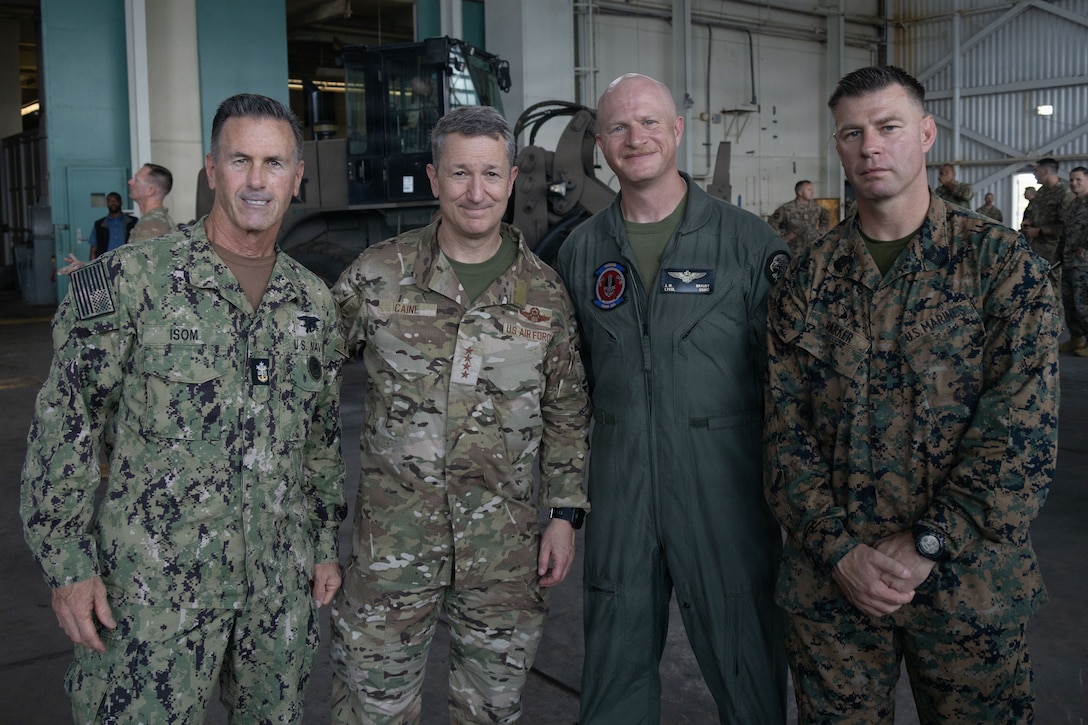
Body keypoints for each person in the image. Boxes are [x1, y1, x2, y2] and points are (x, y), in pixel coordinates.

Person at [21, 93, 346, 723]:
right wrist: (67, 565)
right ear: (211, 168)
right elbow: (67, 426)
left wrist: (325, 542)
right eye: (240, 161)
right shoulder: (129, 281)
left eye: (275, 163)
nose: (257, 181)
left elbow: (321, 437)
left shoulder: (312, 301)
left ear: (298, 177)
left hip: (277, 591)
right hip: (152, 593)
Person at [765, 65, 1058, 723]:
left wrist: (930, 541)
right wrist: (839, 549)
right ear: (838, 146)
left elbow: (1022, 434)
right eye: (852, 133)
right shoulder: (807, 279)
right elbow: (784, 436)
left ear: (925, 134)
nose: (870, 146)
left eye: (888, 127)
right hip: (835, 591)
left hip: (969, 585)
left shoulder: (1002, 267)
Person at [330, 105, 590, 724]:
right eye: (460, 174)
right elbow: (309, 390)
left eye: (491, 175)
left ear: (512, 179)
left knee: (491, 713)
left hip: (504, 550)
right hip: (392, 548)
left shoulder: (545, 292)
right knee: (373, 711)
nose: (477, 193)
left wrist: (564, 516)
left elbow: (567, 411)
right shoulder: (376, 278)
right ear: (433, 178)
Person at [555, 73, 790, 723]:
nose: (637, 138)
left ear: (678, 131)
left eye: (651, 122)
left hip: (726, 492)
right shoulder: (582, 251)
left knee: (747, 665)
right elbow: (567, 393)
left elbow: (792, 388)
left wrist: (798, 502)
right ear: (600, 143)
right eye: (621, 127)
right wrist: (562, 505)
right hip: (620, 487)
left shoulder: (748, 245)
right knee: (613, 670)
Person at [1022, 157, 1074, 279]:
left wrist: (1040, 231)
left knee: (1052, 289)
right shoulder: (1041, 191)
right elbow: (1037, 214)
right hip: (1037, 250)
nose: (1034, 174)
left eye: (1036, 170)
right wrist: (1029, 222)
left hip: (1053, 253)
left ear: (1045, 172)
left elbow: (1067, 227)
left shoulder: (1064, 193)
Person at [1060, 166, 1088, 355]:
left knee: (1083, 303)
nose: (1074, 183)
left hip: (1085, 263)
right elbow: (1065, 233)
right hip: (1069, 261)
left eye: (1078, 180)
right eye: (1071, 180)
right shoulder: (1073, 205)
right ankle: (1076, 339)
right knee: (1069, 303)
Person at [768, 179, 830, 254]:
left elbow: (825, 220)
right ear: (800, 192)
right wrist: (784, 236)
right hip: (793, 250)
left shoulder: (816, 208)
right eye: (809, 190)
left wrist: (820, 234)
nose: (812, 192)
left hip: (812, 250)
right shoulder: (787, 208)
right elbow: (771, 223)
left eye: (812, 190)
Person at [128, 162, 176, 242]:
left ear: (150, 190)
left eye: (136, 180)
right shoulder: (157, 221)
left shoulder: (151, 226)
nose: (130, 182)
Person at [88, 191, 136, 259]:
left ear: (121, 202)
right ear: (107, 203)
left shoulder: (132, 222)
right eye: (110, 201)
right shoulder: (99, 225)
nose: (113, 203)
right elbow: (93, 250)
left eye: (115, 200)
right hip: (106, 263)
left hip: (128, 261)